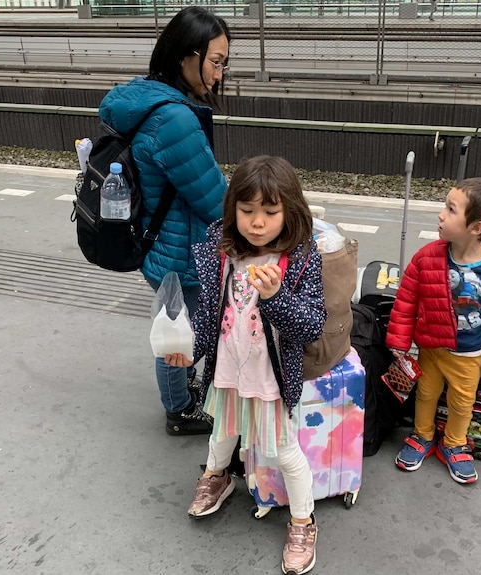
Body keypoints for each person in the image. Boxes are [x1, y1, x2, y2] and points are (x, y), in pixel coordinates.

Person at [165, 156, 326, 575]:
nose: (257, 223)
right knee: (222, 431)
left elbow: (311, 326)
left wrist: (276, 298)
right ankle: (217, 477)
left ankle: (303, 521)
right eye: (247, 210)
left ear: (289, 212)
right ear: (232, 208)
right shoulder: (222, 251)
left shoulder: (302, 259)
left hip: (270, 380)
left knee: (285, 452)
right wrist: (189, 351)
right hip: (228, 373)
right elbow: (208, 319)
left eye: (270, 213)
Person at [98, 6, 231, 436]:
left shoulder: (149, 98)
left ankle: (181, 391)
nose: (220, 73)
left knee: (173, 323)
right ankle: (179, 410)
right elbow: (214, 200)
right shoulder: (174, 119)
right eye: (215, 61)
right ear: (185, 57)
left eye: (224, 62)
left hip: (160, 244)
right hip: (181, 252)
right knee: (176, 335)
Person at [386, 177, 481, 484]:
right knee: (426, 393)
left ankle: (454, 443)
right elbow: (407, 300)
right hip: (430, 347)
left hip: (468, 355)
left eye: (451, 209)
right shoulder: (427, 256)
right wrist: (400, 343)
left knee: (461, 402)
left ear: (476, 228)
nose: (441, 214)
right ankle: (422, 435)